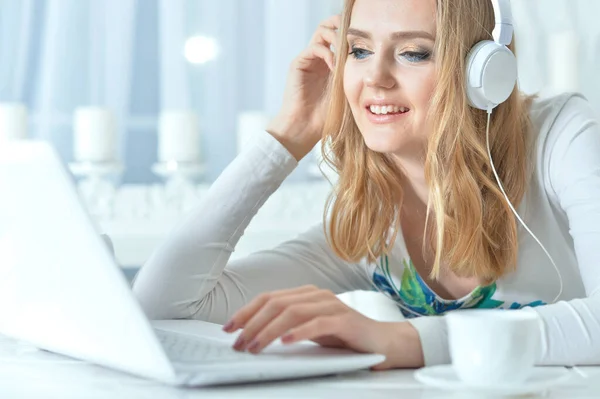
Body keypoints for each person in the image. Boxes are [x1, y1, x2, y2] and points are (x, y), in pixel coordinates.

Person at [132, 0, 600, 370]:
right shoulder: (368, 231)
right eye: (358, 50)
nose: (375, 79)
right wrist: (289, 136)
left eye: (413, 52)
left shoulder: (561, 138)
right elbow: (164, 305)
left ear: (483, 71)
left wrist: (404, 341)